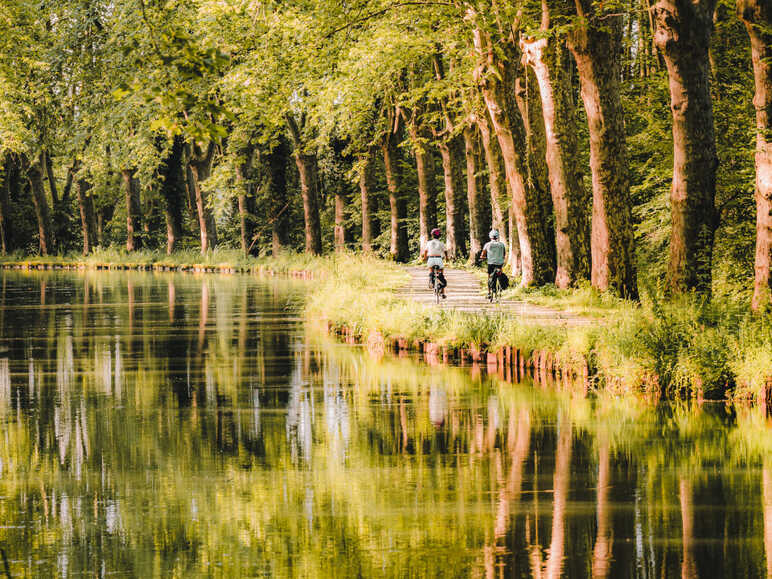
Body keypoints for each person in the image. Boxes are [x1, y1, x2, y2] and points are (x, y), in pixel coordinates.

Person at [421, 228, 447, 298]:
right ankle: (442, 292)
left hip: (431, 259)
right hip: (439, 259)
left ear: (432, 235)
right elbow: (445, 251)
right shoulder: (441, 243)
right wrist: (447, 258)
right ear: (440, 236)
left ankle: (431, 280)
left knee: (431, 271)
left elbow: (426, 251)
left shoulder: (429, 243)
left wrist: (424, 258)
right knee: (441, 275)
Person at [481, 229, 507, 298]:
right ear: (498, 236)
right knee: (500, 274)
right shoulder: (502, 245)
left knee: (489, 277)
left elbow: (483, 254)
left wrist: (483, 257)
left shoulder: (487, 244)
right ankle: (500, 288)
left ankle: (489, 292)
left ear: (490, 237)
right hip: (499, 263)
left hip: (491, 263)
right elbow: (504, 254)